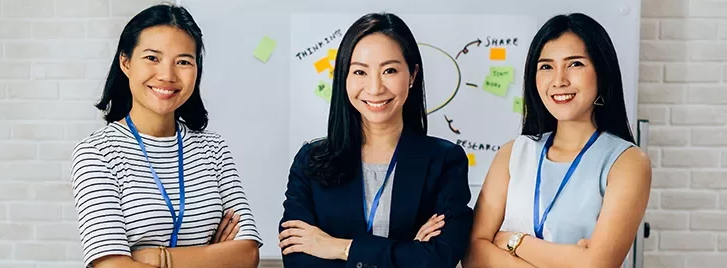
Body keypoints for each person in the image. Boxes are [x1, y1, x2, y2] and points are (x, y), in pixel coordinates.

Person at [69, 4, 261, 268]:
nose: (167, 75)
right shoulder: (96, 153)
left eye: (183, 61)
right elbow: (111, 265)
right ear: (125, 62)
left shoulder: (213, 149)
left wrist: (158, 257)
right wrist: (211, 257)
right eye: (152, 58)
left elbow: (247, 255)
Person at [278, 12, 473, 268]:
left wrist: (339, 247)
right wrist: (408, 251)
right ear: (344, 78)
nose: (374, 88)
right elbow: (298, 259)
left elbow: (438, 259)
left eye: (389, 70)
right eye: (360, 72)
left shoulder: (445, 161)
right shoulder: (310, 161)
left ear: (413, 75)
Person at [462, 13, 651, 268]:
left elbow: (597, 264)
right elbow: (473, 253)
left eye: (575, 64)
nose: (559, 80)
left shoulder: (627, 162)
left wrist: (513, 241)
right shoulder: (513, 153)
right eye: (546, 67)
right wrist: (573, 257)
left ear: (602, 72)